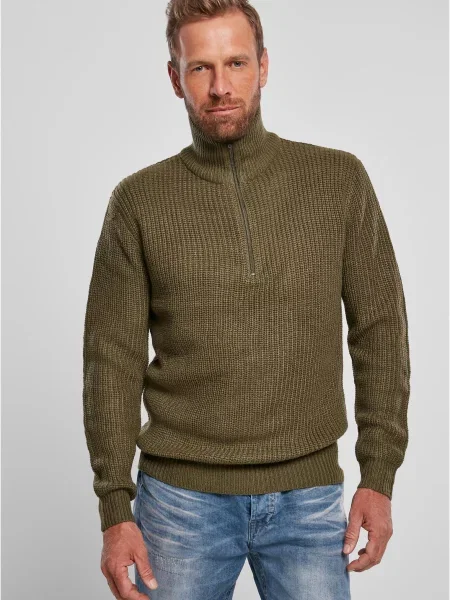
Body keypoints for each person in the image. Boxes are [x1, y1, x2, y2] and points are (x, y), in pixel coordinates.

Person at [82, 1, 411, 598]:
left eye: (235, 63)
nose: (220, 86)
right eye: (200, 67)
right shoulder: (139, 202)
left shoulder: (338, 181)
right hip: (179, 504)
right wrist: (114, 508)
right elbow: (111, 359)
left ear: (264, 66)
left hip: (310, 498)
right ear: (175, 77)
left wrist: (379, 475)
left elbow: (381, 329)